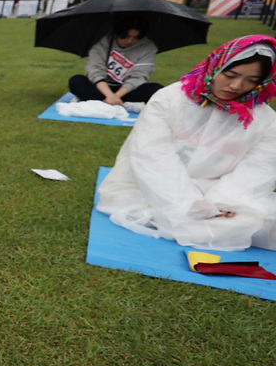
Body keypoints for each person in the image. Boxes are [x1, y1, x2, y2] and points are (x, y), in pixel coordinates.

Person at [97, 35, 276, 252]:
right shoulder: (170, 99)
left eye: (251, 80)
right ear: (216, 66)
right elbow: (152, 155)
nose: (237, 86)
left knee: (251, 221)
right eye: (230, 74)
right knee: (197, 223)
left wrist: (225, 201)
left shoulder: (263, 117)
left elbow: (260, 166)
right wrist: (189, 204)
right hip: (153, 186)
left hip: (217, 189)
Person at [68, 19, 163, 106]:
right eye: (126, 36)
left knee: (156, 89)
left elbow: (139, 76)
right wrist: (109, 95)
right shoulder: (103, 43)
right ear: (118, 33)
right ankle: (121, 103)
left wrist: (115, 96)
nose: (130, 41)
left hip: (127, 89)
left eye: (135, 37)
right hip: (102, 86)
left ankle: (100, 101)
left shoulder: (148, 48)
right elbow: (94, 70)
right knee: (76, 81)